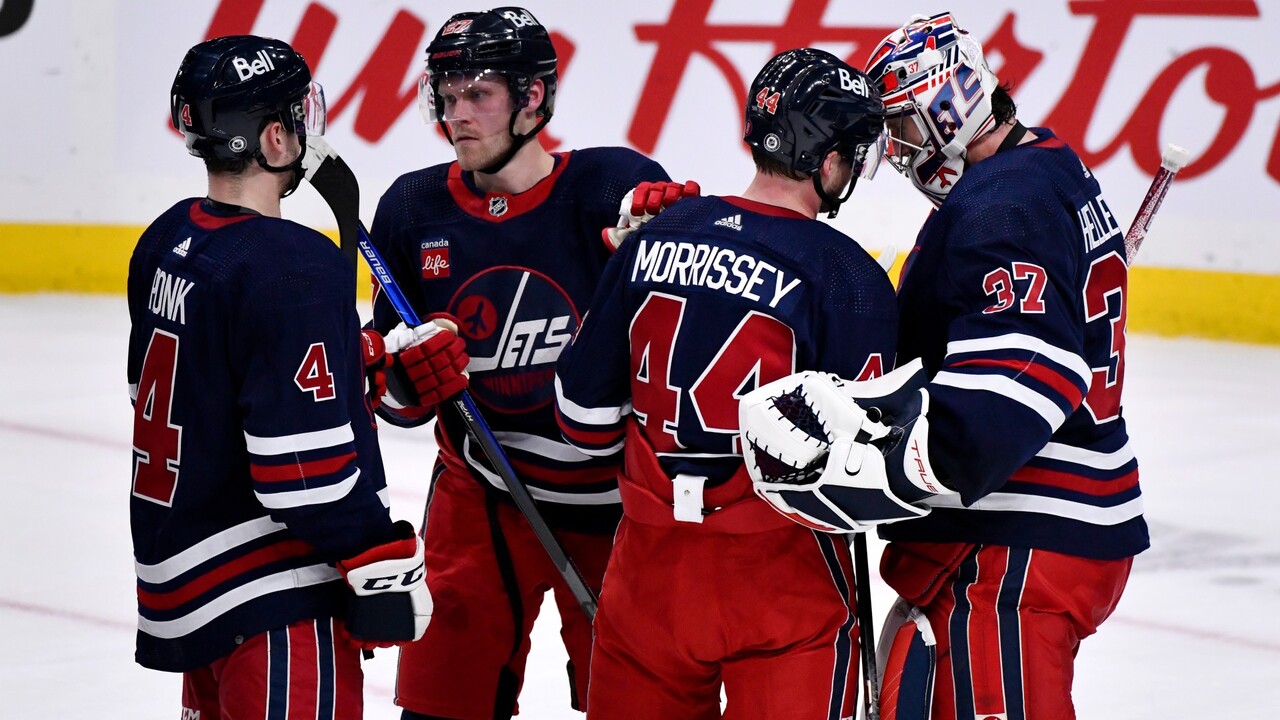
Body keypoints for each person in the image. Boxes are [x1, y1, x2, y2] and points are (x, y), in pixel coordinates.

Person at [739, 13, 1149, 719]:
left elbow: (1027, 369)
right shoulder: (1044, 165)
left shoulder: (1004, 203)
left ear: (951, 100)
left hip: (1021, 541)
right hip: (1025, 532)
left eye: (901, 126)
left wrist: (900, 467)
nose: (897, 153)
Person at [363, 8, 691, 719]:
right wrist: (409, 375)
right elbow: (387, 391)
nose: (457, 116)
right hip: (483, 495)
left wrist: (667, 249)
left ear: (533, 97)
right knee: (440, 706)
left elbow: (677, 354)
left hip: (617, 506)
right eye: (446, 97)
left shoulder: (614, 189)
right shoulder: (413, 209)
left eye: (477, 94)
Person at [554, 48, 897, 719]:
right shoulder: (849, 276)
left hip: (648, 578)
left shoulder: (657, 235)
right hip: (780, 584)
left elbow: (580, 420)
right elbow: (867, 484)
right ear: (828, 160)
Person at [126, 35, 432, 719]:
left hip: (191, 586)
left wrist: (351, 372)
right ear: (271, 136)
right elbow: (304, 474)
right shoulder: (294, 264)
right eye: (295, 114)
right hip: (273, 596)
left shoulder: (164, 241)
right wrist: (377, 548)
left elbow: (200, 397)